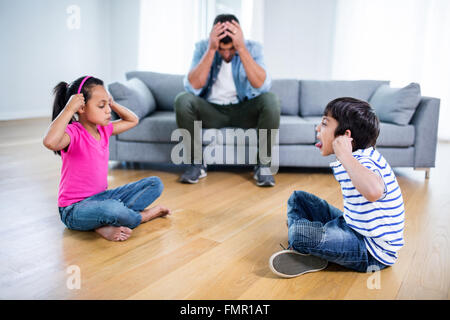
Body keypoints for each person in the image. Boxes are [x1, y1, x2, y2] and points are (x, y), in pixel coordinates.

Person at [269, 97, 405, 277]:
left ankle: (306, 246)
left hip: (372, 251)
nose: (317, 128)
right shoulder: (359, 156)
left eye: (325, 124)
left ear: (345, 137)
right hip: (353, 225)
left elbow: (374, 191)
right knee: (298, 199)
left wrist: (345, 155)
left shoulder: (364, 161)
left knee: (299, 233)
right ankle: (313, 248)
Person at [43, 76, 171, 242]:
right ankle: (142, 217)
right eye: (101, 105)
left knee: (155, 184)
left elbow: (133, 120)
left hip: (102, 199)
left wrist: (113, 103)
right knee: (113, 208)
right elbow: (50, 142)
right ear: (81, 108)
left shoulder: (104, 130)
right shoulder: (73, 132)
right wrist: (68, 110)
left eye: (107, 104)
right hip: (74, 210)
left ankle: (102, 224)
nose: (108, 110)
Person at [174, 14, 280, 187]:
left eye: (231, 49)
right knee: (183, 100)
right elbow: (192, 87)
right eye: (222, 49)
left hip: (243, 110)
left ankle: (263, 166)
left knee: (271, 100)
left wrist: (242, 49)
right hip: (211, 111)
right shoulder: (203, 47)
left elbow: (262, 86)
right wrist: (211, 50)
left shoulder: (253, 48)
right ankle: (197, 164)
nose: (227, 54)